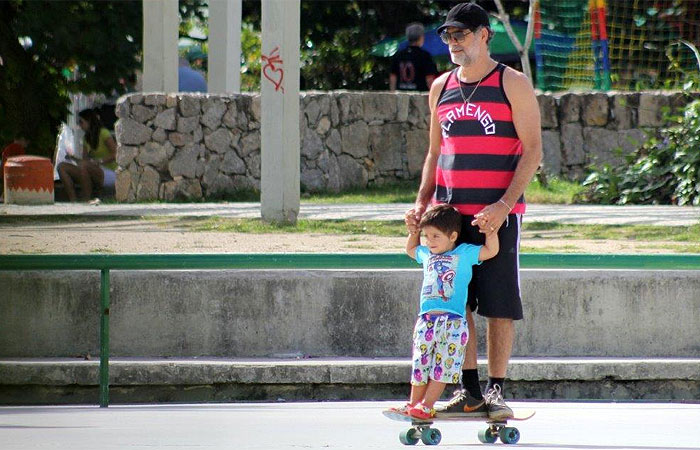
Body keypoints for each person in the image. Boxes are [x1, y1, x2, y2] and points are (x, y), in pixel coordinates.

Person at [405, 3, 542, 421]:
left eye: (461, 34)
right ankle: (468, 390)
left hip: (496, 215)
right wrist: (421, 203)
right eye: (447, 35)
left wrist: (503, 207)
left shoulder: (511, 82)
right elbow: (434, 152)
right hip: (448, 218)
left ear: (485, 35)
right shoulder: (440, 86)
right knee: (454, 304)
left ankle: (496, 391)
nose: (452, 42)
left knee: (498, 305)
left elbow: (533, 151)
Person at [391, 204, 499, 420]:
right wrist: (413, 234)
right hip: (426, 322)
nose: (429, 241)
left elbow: (490, 251)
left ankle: (427, 406)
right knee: (420, 364)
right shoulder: (426, 254)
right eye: (426, 236)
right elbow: (411, 250)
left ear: (452, 236)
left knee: (443, 366)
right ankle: (413, 404)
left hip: (454, 324)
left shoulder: (465, 253)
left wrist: (490, 233)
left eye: (435, 236)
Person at [57, 109, 117, 202]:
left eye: (81, 122)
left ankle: (86, 198)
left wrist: (99, 161)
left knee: (84, 166)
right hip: (93, 170)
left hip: (109, 173)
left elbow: (116, 154)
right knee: (62, 167)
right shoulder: (86, 138)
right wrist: (73, 158)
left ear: (89, 121)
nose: (80, 126)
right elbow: (84, 161)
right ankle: (73, 200)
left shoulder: (104, 133)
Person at [390, 23, 439, 91]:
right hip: (420, 94)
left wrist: (392, 92)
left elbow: (393, 76)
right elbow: (429, 78)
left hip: (401, 93)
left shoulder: (399, 55)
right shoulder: (424, 56)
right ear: (421, 37)